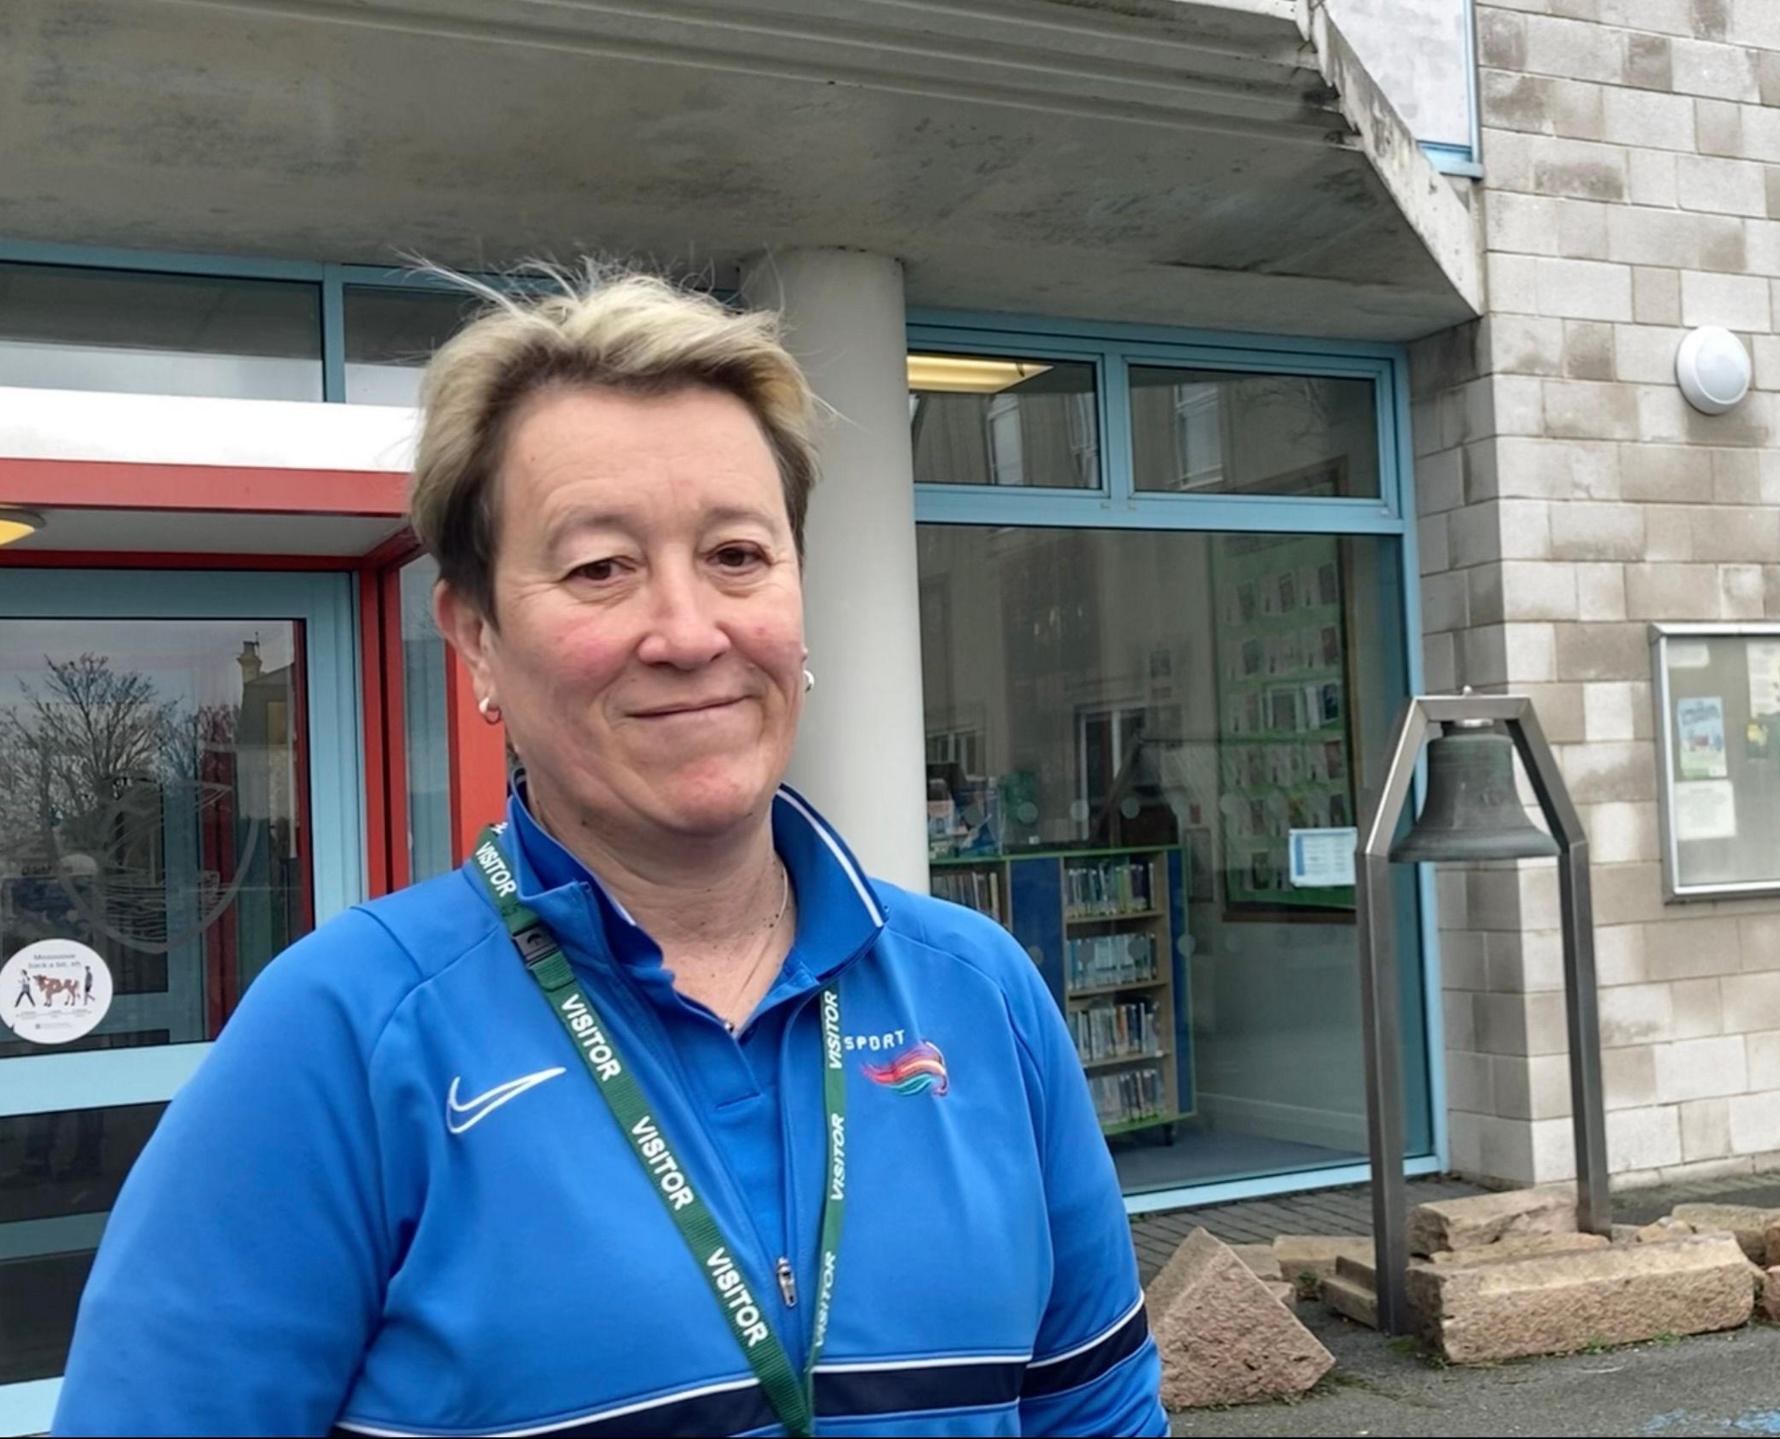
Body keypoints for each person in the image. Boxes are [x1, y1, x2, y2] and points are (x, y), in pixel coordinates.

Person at [55, 268, 1165, 1437]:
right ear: (476, 637)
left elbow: (1096, 1415)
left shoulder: (981, 992)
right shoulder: (342, 1036)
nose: (689, 633)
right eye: (600, 567)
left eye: (738, 553)